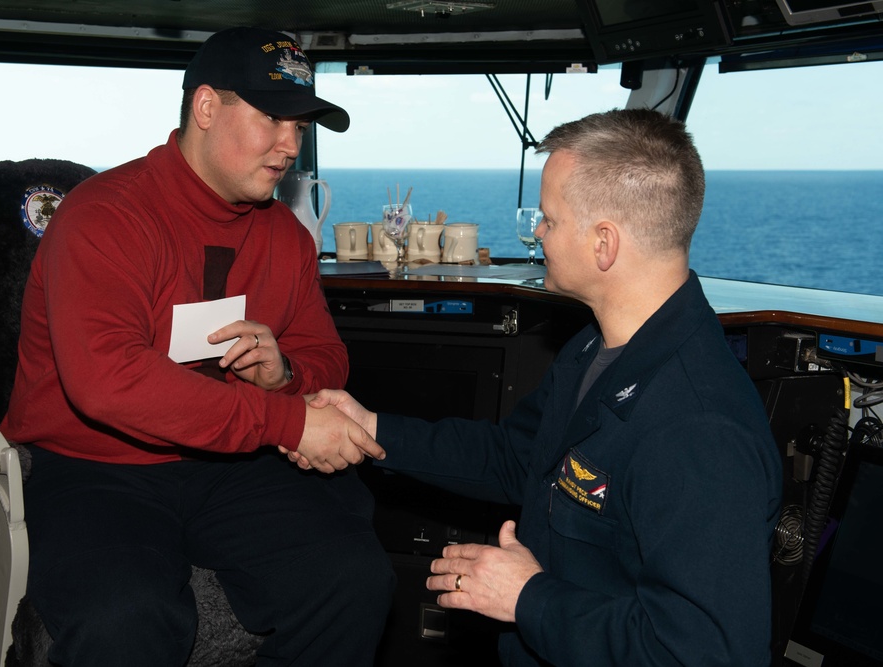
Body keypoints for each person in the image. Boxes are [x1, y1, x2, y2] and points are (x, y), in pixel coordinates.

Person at [303, 108, 783, 666]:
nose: (537, 233)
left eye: (549, 220)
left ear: (604, 243)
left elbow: (706, 654)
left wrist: (528, 597)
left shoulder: (698, 429)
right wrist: (372, 429)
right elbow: (515, 457)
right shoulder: (592, 350)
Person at [0, 27, 394, 666]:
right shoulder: (105, 217)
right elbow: (109, 381)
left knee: (352, 581)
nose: (291, 145)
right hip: (96, 468)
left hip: (228, 466)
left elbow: (327, 354)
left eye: (301, 126)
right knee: (123, 621)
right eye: (273, 119)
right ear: (206, 108)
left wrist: (285, 373)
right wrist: (287, 418)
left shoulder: (286, 240)